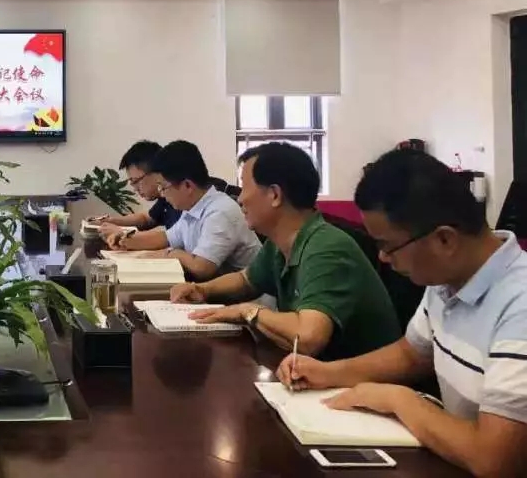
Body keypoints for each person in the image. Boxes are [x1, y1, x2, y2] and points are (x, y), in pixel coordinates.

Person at [276, 149, 527, 477]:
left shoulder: (519, 303)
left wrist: (399, 401)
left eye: (387, 245)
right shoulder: (446, 278)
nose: (382, 257)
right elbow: (412, 354)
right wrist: (327, 373)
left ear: (444, 240)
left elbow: (494, 459)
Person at [171, 142, 400, 360]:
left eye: (245, 187)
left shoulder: (327, 247)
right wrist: (202, 290)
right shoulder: (281, 242)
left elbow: (308, 338)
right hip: (316, 371)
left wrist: (249, 312)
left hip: (363, 381)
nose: (240, 198)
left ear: (274, 195)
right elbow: (247, 280)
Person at [110, 140, 260, 280]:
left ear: (187, 186)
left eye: (163, 187)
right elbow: (167, 237)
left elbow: (202, 267)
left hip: (247, 297)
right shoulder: (192, 208)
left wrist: (174, 253)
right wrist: (126, 241)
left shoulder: (219, 211)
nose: (162, 194)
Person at [92, 140, 181, 250]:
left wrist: (123, 233)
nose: (135, 189)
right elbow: (146, 219)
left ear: (156, 172)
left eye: (136, 181)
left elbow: (168, 238)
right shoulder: (164, 198)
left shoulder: (180, 197)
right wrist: (109, 221)